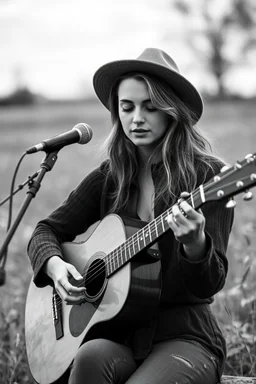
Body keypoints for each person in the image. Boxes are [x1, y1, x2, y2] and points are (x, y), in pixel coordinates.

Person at [27, 47, 234, 384]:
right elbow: (45, 231)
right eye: (127, 107)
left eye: (150, 107)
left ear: (172, 110)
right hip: (121, 336)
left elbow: (209, 283)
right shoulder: (111, 176)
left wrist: (196, 245)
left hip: (185, 338)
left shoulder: (207, 176)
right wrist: (55, 265)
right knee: (90, 357)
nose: (136, 118)